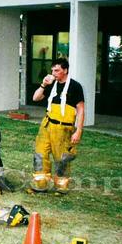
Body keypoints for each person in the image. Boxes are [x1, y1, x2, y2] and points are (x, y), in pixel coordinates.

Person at [31, 57, 85, 193]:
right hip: (47, 125)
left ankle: (61, 186)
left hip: (63, 128)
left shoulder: (75, 86)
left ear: (65, 70)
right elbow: (35, 98)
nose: (54, 73)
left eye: (57, 70)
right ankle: (40, 184)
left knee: (62, 158)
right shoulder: (51, 85)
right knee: (40, 153)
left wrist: (78, 131)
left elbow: (81, 110)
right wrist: (43, 84)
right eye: (53, 70)